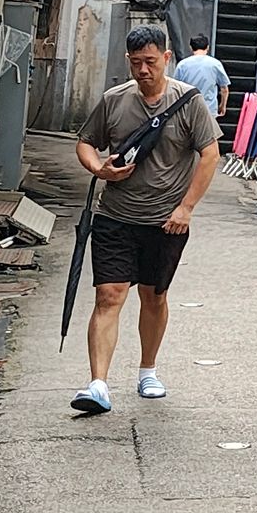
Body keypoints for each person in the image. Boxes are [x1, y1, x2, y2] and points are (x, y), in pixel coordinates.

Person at [71, 25, 220, 414]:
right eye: (136, 62)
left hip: (166, 221)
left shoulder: (188, 102)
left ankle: (147, 371)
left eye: (150, 62)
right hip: (115, 216)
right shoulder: (114, 100)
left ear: (166, 59)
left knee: (154, 297)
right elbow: (85, 142)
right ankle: (98, 385)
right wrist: (98, 168)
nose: (143, 70)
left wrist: (186, 207)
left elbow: (210, 155)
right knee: (109, 295)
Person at [172, 32, 232, 127]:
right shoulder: (215, 64)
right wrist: (222, 105)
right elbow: (224, 89)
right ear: (207, 47)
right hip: (209, 109)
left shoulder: (182, 65)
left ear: (191, 47)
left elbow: (174, 88)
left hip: (188, 109)